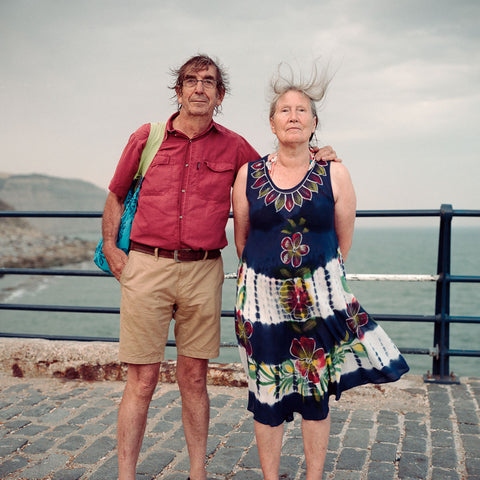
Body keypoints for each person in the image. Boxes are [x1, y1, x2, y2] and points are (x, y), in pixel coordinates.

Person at [101, 54, 339, 480]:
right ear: (178, 90)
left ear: (220, 95)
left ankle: (198, 474)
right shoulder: (148, 137)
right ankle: (125, 476)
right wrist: (110, 246)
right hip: (146, 267)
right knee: (141, 382)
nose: (198, 88)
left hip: (202, 271)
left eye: (208, 82)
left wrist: (318, 152)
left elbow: (279, 167)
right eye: (190, 81)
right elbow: (117, 194)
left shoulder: (234, 147)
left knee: (194, 379)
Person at [232, 65, 409, 480]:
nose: (293, 116)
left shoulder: (335, 173)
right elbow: (242, 241)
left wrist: (310, 280)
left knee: (314, 397)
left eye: (302, 110)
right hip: (260, 305)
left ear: (314, 122)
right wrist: (272, 279)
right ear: (272, 122)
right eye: (284, 110)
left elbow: (342, 242)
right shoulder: (248, 176)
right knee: (267, 396)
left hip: (317, 304)